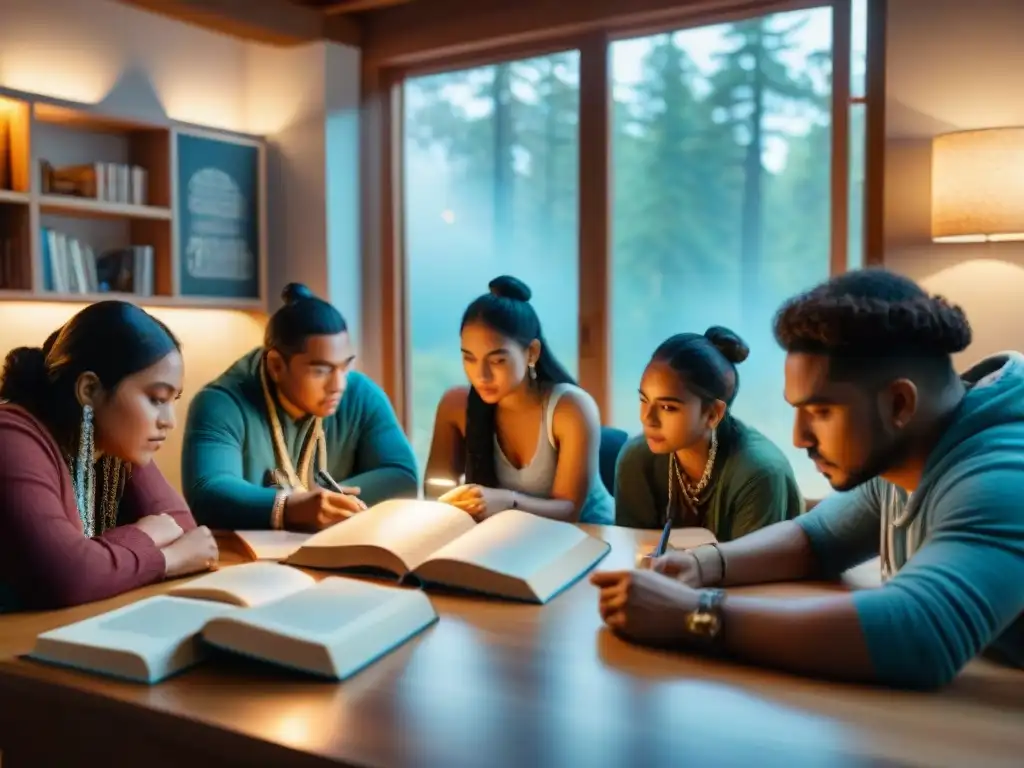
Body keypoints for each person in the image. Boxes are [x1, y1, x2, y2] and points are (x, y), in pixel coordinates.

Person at [591, 269, 1024, 689]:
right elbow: (814, 539)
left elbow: (919, 634)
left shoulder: (1001, 477)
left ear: (898, 403)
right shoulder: (915, 446)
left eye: (820, 412)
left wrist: (694, 614)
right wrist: (699, 566)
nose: (799, 438)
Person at [0, 301, 217, 611]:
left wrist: (100, 556)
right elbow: (68, 575)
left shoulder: (110, 445)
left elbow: (182, 532)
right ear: (89, 390)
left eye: (173, 401)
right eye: (156, 399)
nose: (170, 420)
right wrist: (162, 556)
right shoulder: (10, 438)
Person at [182, 283, 418, 532]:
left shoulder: (360, 394)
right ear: (275, 366)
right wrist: (292, 507)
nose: (338, 385)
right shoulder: (221, 404)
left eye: (345, 366)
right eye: (320, 370)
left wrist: (326, 500)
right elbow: (208, 492)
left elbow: (402, 477)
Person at [425, 275, 613, 524]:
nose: (481, 375)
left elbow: (569, 511)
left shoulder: (570, 408)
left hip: (589, 537)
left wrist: (507, 502)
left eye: (497, 360)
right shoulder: (456, 406)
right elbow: (435, 494)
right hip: (511, 537)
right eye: (469, 358)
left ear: (531, 352)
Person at [615, 327, 803, 541]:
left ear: (713, 414)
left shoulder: (759, 473)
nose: (647, 418)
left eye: (668, 407)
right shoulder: (637, 459)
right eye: (644, 400)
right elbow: (629, 553)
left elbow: (753, 570)